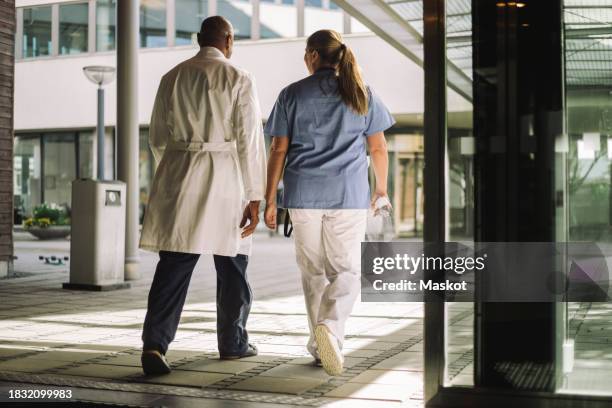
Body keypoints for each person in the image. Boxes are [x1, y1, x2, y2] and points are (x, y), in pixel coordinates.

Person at [138, 16, 267, 375]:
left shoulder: (172, 76)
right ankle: (232, 343)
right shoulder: (238, 77)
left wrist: (177, 165)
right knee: (233, 265)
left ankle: (155, 344)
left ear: (199, 39)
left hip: (179, 176)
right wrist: (255, 196)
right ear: (228, 40)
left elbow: (158, 137)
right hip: (225, 179)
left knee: (174, 265)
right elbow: (249, 140)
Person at [263, 30, 394, 376]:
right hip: (348, 196)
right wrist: (380, 189)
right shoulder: (361, 92)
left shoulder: (291, 94)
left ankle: (321, 343)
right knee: (347, 270)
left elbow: (278, 149)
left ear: (311, 55)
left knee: (313, 271)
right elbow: (378, 148)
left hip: (303, 195)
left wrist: (269, 199)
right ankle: (331, 330)